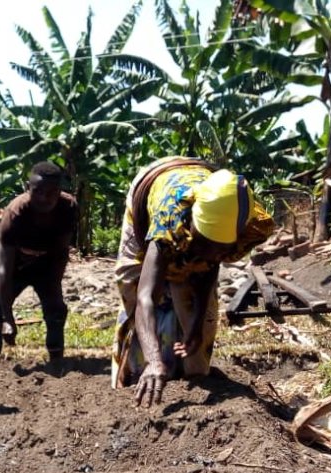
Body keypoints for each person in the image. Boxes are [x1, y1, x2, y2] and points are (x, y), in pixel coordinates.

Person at [112, 157, 274, 407]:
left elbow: (208, 267)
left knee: (198, 306)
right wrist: (154, 360)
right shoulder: (171, 219)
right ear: (192, 226)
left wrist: (196, 325)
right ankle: (133, 375)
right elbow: (146, 297)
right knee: (131, 285)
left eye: (219, 249)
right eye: (204, 244)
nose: (210, 254)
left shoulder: (243, 219)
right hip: (150, 191)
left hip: (203, 187)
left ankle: (192, 369)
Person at [0, 161, 77, 367]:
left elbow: (61, 253)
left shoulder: (68, 208)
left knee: (56, 310)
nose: (45, 198)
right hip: (15, 265)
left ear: (60, 191)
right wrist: (8, 318)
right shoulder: (15, 214)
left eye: (52, 192)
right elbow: (4, 270)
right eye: (38, 191)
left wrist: (54, 289)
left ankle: (56, 360)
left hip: (46, 263)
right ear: (28, 188)